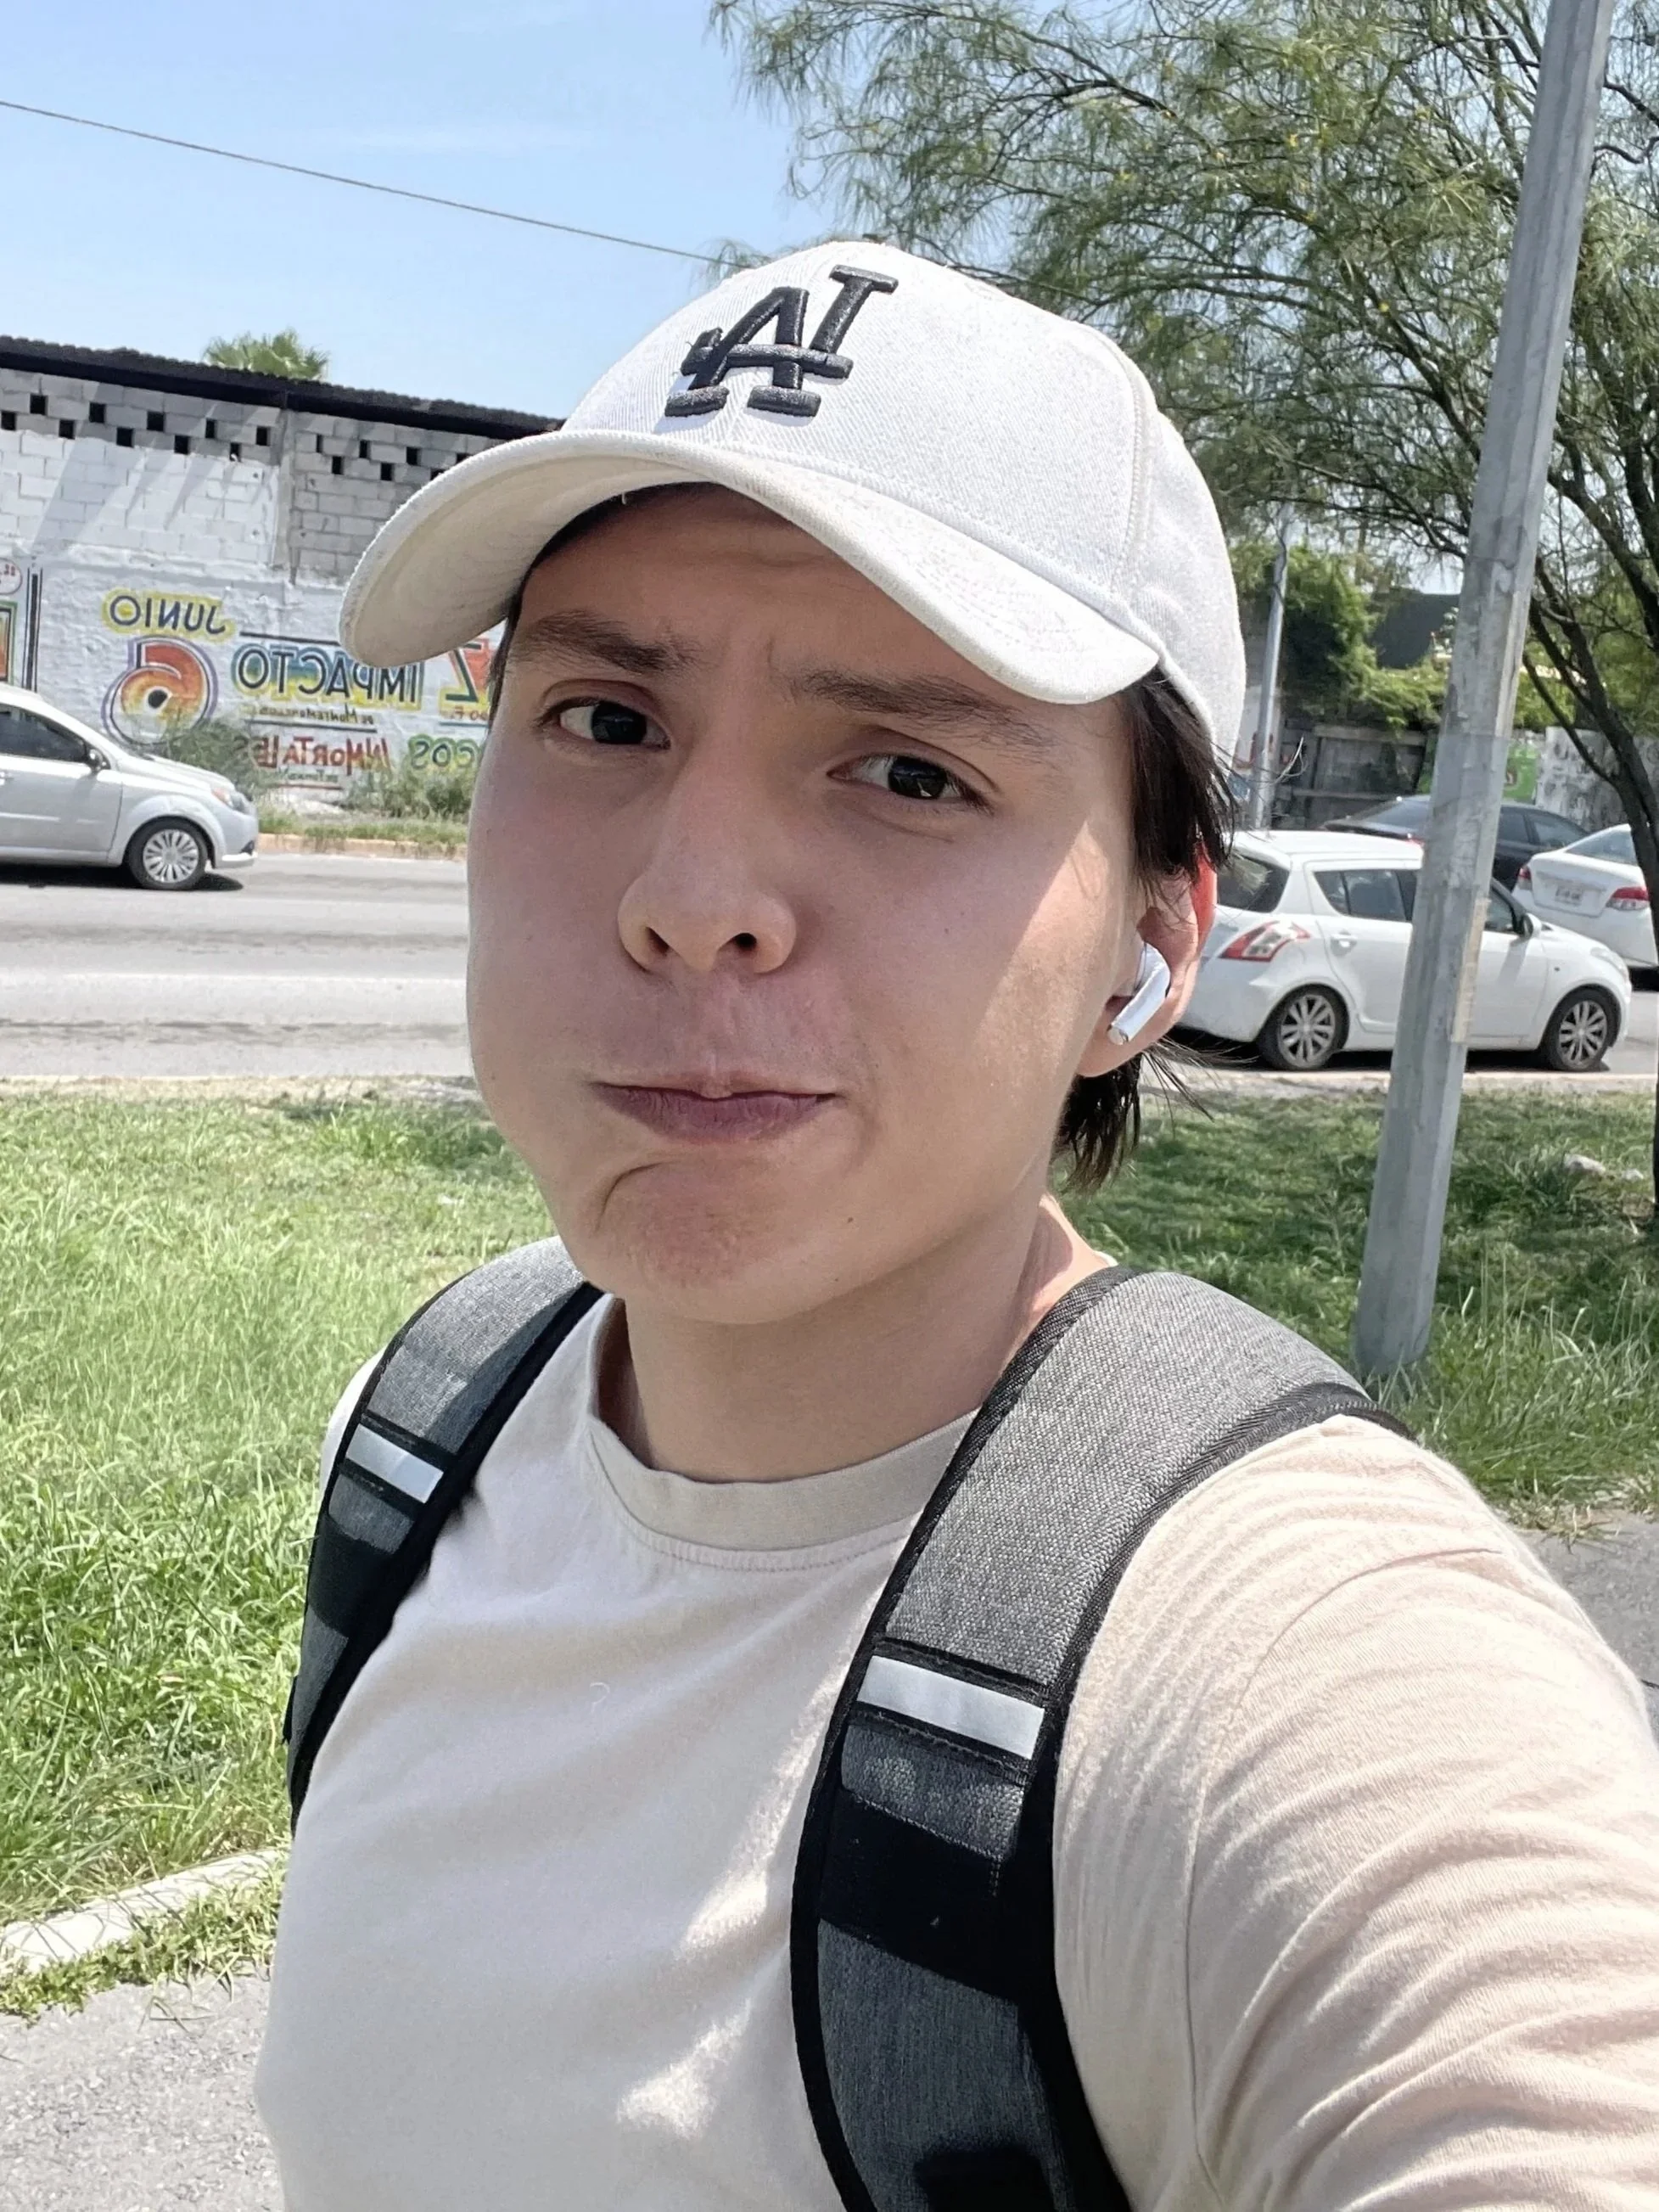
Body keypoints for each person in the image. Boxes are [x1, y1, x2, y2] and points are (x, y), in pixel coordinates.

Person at [255, 242, 1659, 2209]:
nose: (692, 897)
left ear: (1150, 942)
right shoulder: (426, 1437)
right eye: (603, 719)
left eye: (908, 769)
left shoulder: (1294, 1671)